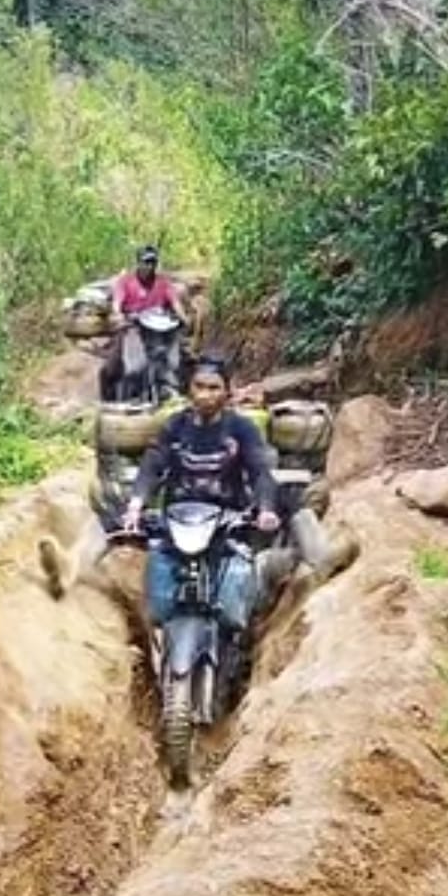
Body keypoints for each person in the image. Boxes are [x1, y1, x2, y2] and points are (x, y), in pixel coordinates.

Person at [122, 355, 280, 633]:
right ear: (189, 389)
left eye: (214, 387)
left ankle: (247, 636)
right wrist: (135, 505)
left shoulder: (242, 429)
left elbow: (259, 470)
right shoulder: (174, 426)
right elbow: (152, 464)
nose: (205, 395)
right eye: (199, 386)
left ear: (227, 392)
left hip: (227, 521)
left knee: (248, 575)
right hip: (178, 520)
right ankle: (72, 570)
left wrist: (266, 509)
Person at [101, 245, 191, 401]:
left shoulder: (163, 283)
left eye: (152, 262)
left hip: (161, 328)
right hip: (134, 326)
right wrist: (119, 314)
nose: (149, 266)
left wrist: (184, 318)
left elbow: (176, 303)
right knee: (135, 367)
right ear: (138, 263)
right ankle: (128, 395)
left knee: (174, 363)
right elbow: (117, 303)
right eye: (146, 262)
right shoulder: (126, 282)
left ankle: (172, 391)